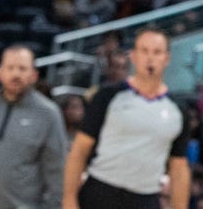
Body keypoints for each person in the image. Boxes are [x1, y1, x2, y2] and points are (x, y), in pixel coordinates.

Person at [63, 27, 191, 209]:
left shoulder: (178, 110)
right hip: (99, 192)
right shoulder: (107, 96)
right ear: (133, 55)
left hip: (145, 198)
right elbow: (79, 151)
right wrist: (68, 200)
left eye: (157, 52)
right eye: (144, 51)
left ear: (167, 58)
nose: (150, 58)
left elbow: (178, 168)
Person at [0, 44, 68, 209]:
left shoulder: (48, 113)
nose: (15, 74)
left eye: (22, 68)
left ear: (34, 75)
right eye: (10, 67)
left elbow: (57, 171)